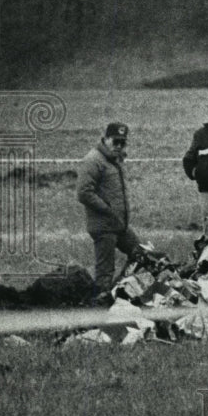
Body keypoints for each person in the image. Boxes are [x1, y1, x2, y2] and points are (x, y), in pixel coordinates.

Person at [75, 122, 142, 298]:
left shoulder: (114, 160)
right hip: (104, 226)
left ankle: (118, 290)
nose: (119, 146)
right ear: (105, 139)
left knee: (140, 254)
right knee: (105, 271)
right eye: (115, 141)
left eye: (123, 142)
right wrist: (107, 208)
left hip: (119, 224)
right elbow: (83, 193)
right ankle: (99, 308)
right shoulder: (93, 160)